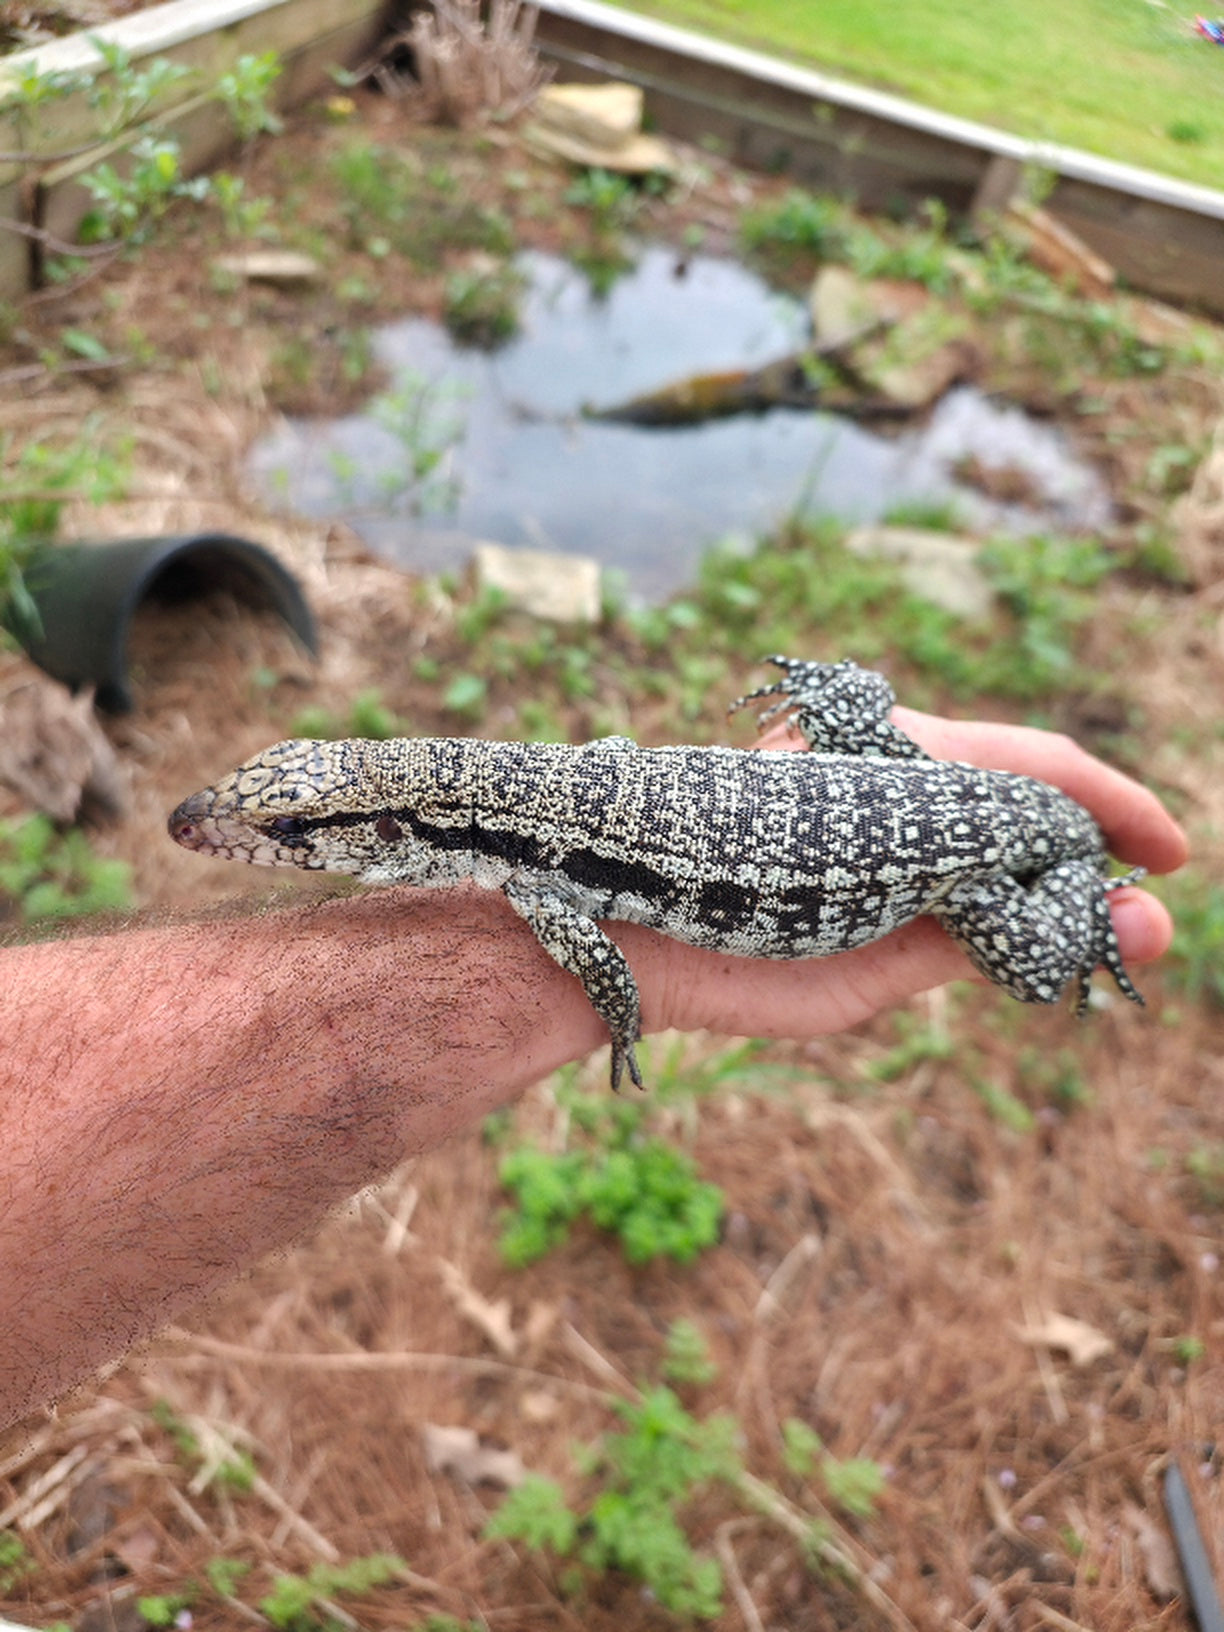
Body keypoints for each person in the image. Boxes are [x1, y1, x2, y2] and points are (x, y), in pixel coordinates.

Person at [0, 704, 1186, 1431]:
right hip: (921, 792)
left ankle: (1076, 903)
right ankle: (896, 742)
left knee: (1045, 963)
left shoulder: (535, 874)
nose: (228, 831)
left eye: (289, 832)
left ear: (392, 831)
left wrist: (621, 1007)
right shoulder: (527, 809)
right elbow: (598, 949)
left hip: (976, 847)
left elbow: (606, 975)